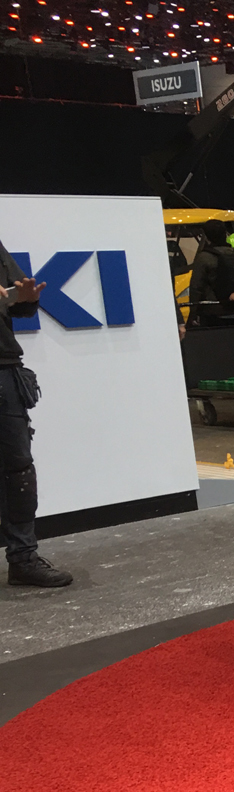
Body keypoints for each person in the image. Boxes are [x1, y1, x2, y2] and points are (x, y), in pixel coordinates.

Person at [0, 240, 72, 587]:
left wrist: (26, 299)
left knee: (18, 470)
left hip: (4, 372)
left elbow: (19, 305)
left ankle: (23, 557)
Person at [185, 220, 234, 326]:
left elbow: (196, 287)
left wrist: (193, 315)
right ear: (225, 234)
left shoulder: (204, 258)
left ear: (207, 237)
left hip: (214, 311)